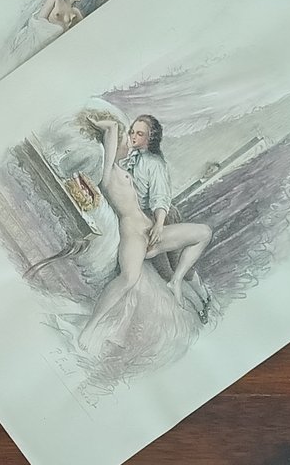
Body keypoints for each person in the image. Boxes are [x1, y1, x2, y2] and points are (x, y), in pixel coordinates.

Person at [78, 116, 213, 350]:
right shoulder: (108, 172)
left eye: (136, 135)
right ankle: (89, 329)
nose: (129, 141)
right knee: (128, 279)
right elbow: (111, 129)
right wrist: (97, 122)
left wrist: (159, 224)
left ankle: (176, 280)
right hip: (133, 233)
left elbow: (158, 196)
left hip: (150, 227)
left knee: (204, 232)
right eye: (127, 136)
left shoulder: (135, 164)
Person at [9, 0, 84, 62]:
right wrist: (56, 30)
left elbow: (82, 29)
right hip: (40, 38)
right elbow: (40, 18)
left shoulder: (76, 12)